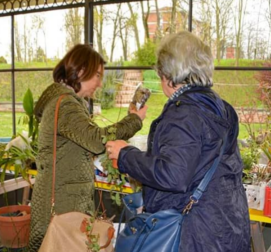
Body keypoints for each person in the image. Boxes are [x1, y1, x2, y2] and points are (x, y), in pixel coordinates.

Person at [106, 31, 251, 251]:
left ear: (169, 75)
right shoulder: (221, 108)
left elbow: (173, 175)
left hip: (193, 233)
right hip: (226, 226)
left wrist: (126, 155)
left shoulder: (184, 114)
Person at [28, 44, 147, 251]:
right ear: (81, 71)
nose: (100, 84)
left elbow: (84, 143)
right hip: (62, 208)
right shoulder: (65, 104)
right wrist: (134, 120)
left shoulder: (66, 102)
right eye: (98, 76)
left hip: (63, 203)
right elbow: (95, 140)